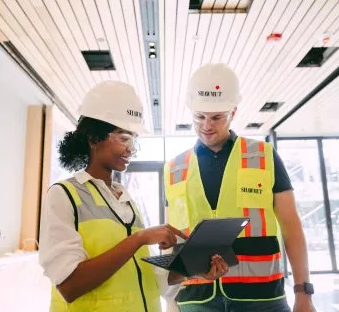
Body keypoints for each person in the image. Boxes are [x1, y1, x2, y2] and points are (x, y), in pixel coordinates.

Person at [39, 81, 228, 312]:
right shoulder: (64, 195)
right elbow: (70, 285)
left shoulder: (125, 199)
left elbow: (150, 280)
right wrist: (139, 239)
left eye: (134, 140)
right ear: (93, 138)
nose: (131, 149)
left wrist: (194, 269)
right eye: (124, 138)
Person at [164, 64, 317, 312]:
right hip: (194, 298)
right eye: (199, 117)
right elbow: (171, 237)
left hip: (262, 296)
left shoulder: (263, 155)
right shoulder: (174, 168)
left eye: (216, 117)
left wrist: (303, 292)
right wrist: (171, 299)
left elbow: (291, 224)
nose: (206, 125)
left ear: (233, 112)